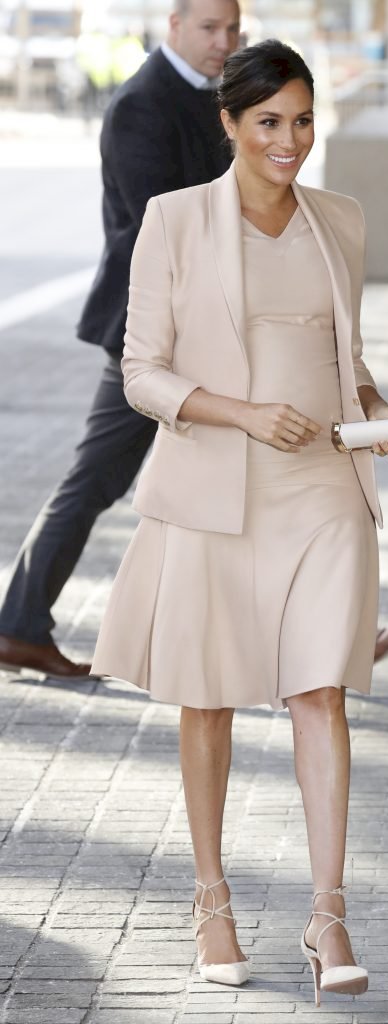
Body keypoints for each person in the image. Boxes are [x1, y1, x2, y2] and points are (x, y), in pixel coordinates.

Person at [90, 40, 388, 1003]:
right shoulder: (175, 221)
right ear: (230, 125)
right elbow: (140, 370)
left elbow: (342, 363)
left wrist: (379, 416)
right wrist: (240, 414)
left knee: (319, 691)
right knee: (211, 698)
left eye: (303, 120)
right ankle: (211, 901)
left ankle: (329, 918)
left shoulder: (341, 221)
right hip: (216, 494)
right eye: (269, 122)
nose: (290, 140)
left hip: (324, 487)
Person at [0, 0, 241, 680]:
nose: (224, 41)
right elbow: (163, 225)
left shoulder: (211, 94)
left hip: (201, 325)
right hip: (153, 332)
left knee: (255, 477)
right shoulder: (143, 104)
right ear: (173, 26)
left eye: (233, 28)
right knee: (97, 480)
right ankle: (16, 624)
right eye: (209, 28)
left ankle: (308, 638)